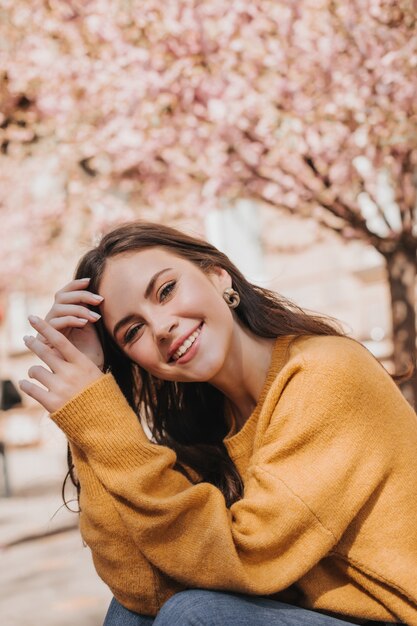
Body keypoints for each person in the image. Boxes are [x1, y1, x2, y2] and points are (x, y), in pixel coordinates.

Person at [19, 221, 417, 626]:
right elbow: (142, 588)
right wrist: (86, 407)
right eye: (133, 330)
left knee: (195, 614)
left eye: (166, 290)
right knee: (133, 612)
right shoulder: (211, 427)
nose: (161, 327)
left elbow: (248, 558)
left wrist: (100, 419)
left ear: (217, 274)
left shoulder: (324, 372)